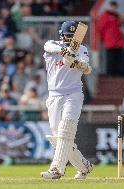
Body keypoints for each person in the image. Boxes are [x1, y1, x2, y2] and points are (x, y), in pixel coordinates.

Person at [40, 21, 93, 180]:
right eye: (67, 36)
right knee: (59, 138)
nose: (70, 39)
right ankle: (84, 167)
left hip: (74, 94)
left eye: (72, 37)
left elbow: (86, 65)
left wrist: (80, 64)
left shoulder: (82, 49)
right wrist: (66, 51)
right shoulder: (52, 45)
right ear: (62, 35)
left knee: (66, 130)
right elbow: (48, 46)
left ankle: (56, 170)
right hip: (54, 95)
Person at [98, 1, 124, 76]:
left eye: (114, 7)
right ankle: (110, 74)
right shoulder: (105, 16)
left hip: (118, 42)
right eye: (112, 7)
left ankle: (117, 74)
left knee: (118, 59)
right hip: (110, 41)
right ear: (109, 6)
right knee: (110, 59)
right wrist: (104, 38)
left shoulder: (116, 16)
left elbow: (120, 26)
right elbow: (101, 28)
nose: (113, 8)